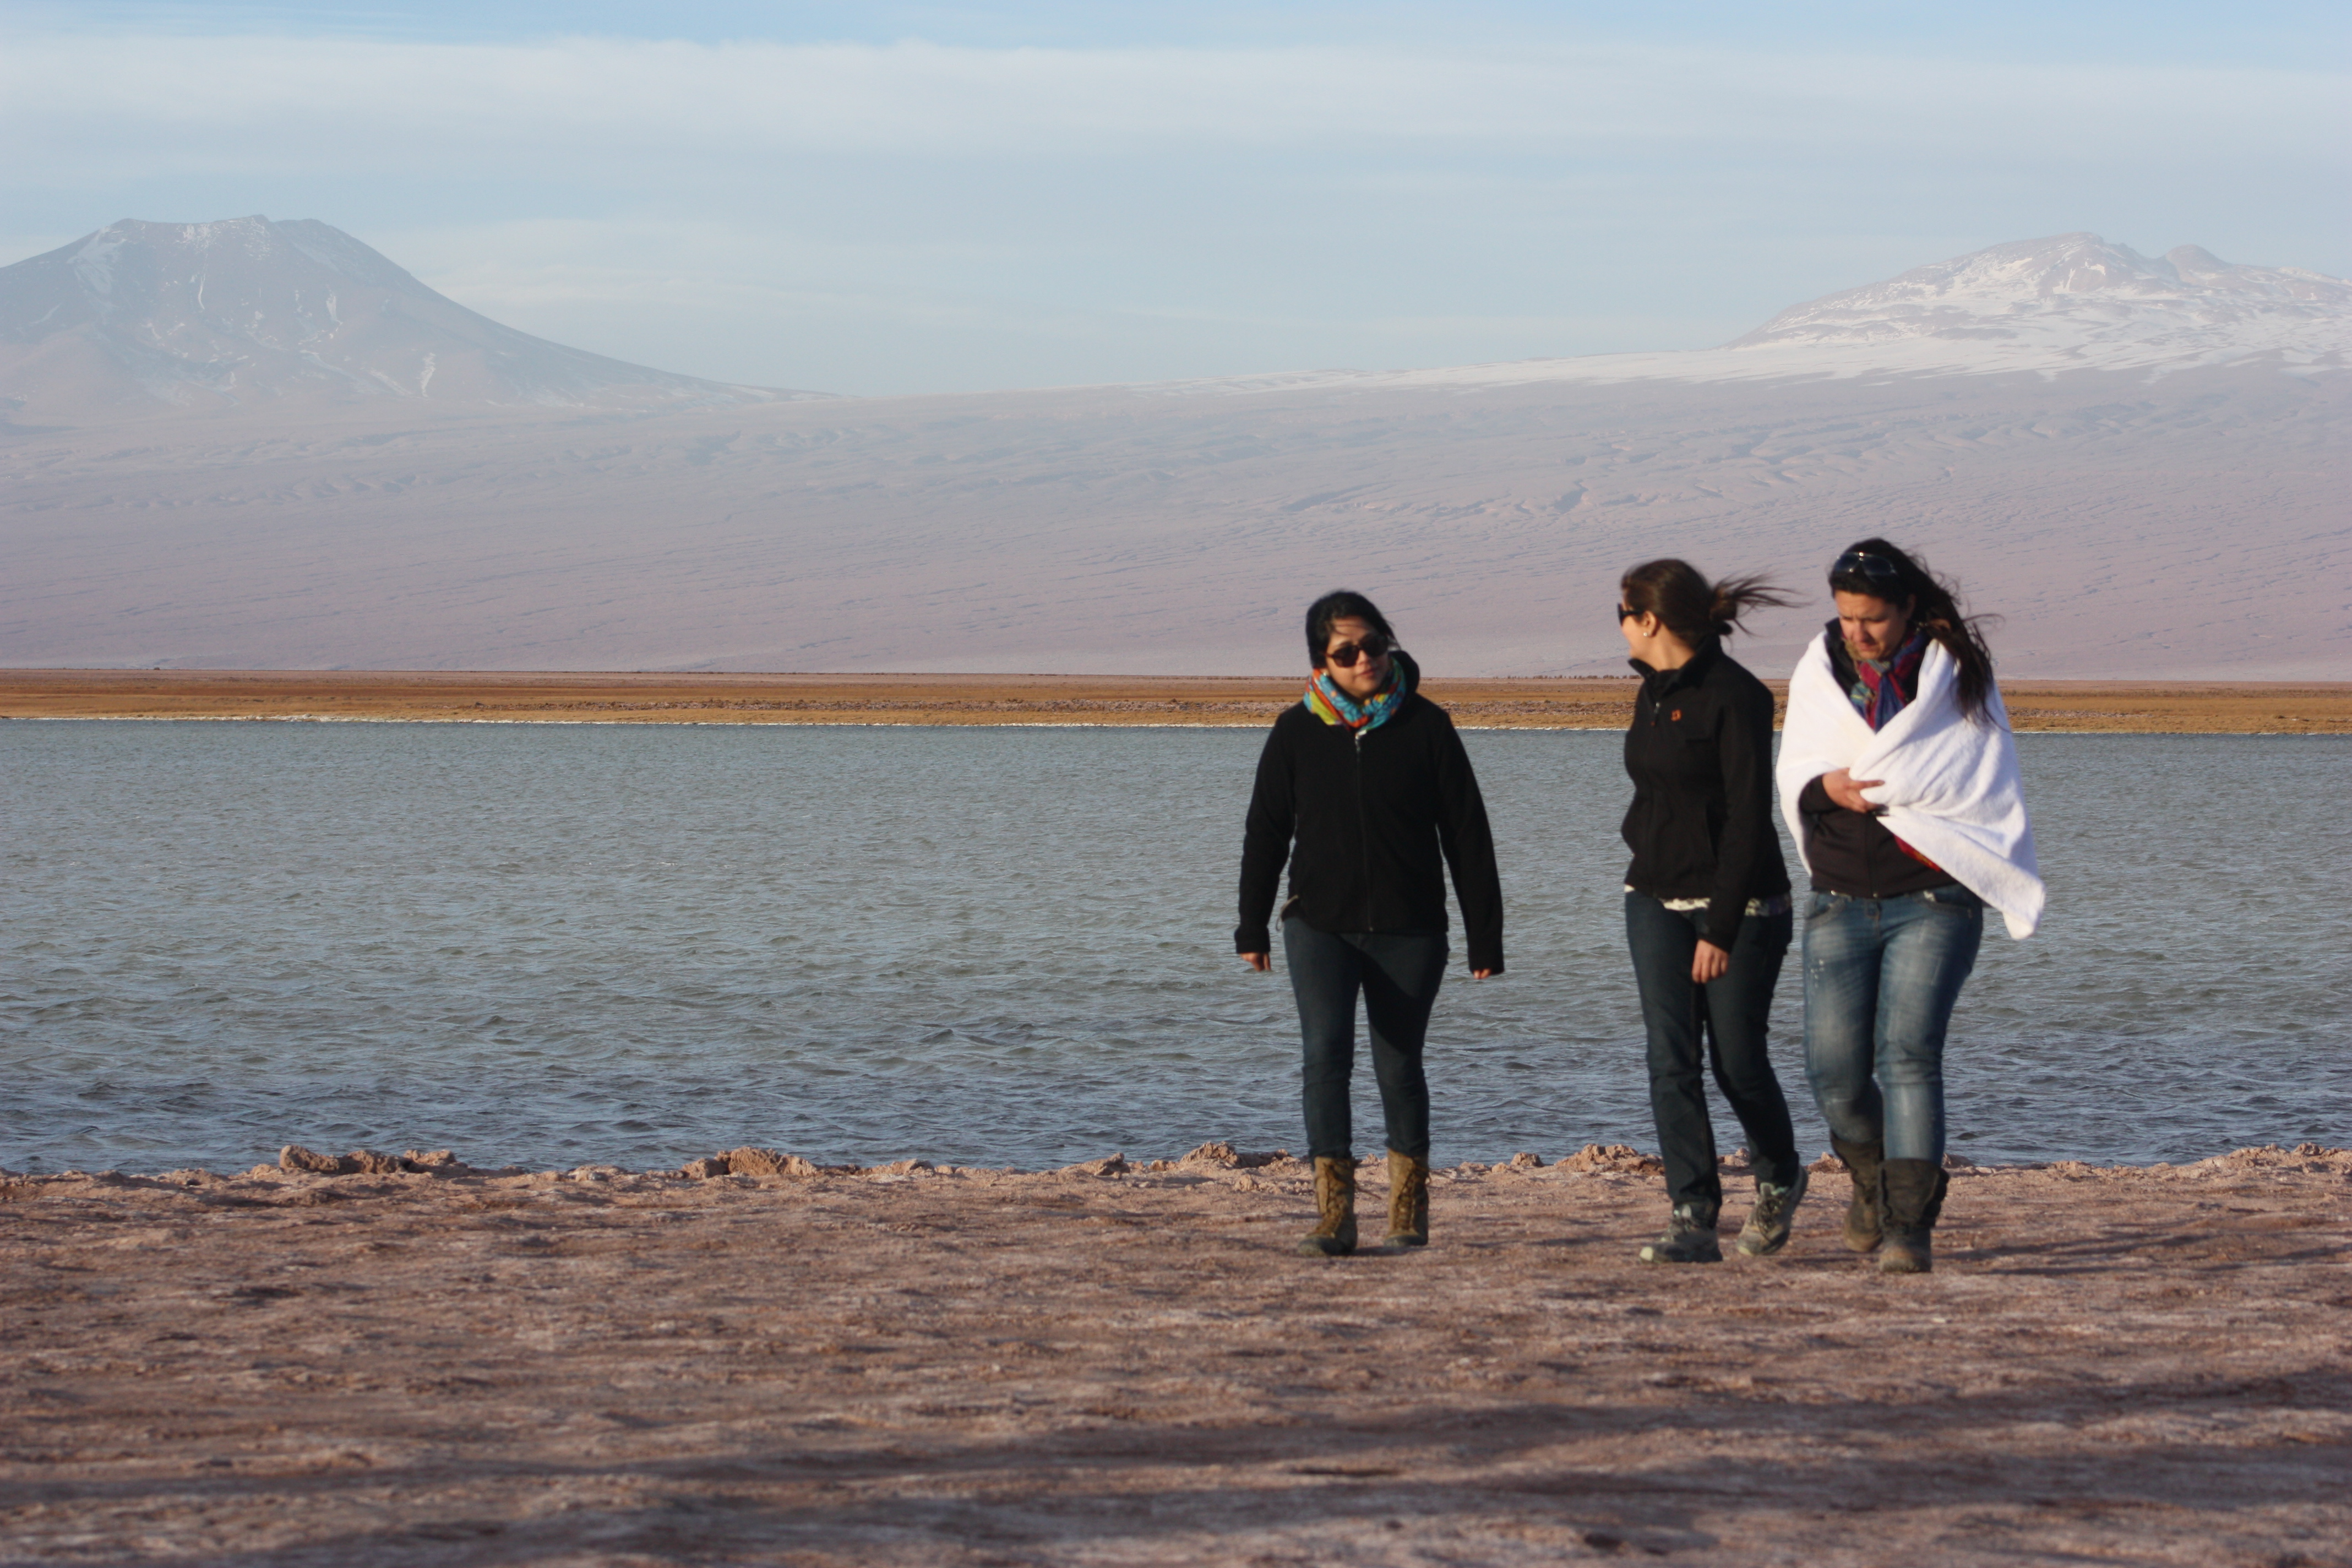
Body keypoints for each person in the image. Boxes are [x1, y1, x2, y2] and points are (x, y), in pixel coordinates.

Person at [1777, 538, 2044, 1274]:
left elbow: (1977, 778)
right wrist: (1823, 789)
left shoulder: (1955, 674)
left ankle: (1908, 1228)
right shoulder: (1819, 668)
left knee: (1909, 1057)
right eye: (1847, 617)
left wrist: (1903, 792)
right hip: (1838, 898)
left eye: (1875, 620)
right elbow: (1797, 766)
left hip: (1935, 898)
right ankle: (1871, 1178)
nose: (1859, 634)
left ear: (1909, 612)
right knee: (1832, 1070)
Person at [1237, 591, 1504, 1257]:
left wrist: (1485, 935)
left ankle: (1408, 1210)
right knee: (1325, 1057)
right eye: (1346, 652)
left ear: (1390, 642)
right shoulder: (1295, 732)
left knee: (1398, 1064)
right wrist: (1251, 926)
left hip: (1411, 929)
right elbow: (1265, 833)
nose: (1364, 660)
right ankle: (1334, 1216)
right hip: (1318, 925)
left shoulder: (1428, 726)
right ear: (1320, 662)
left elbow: (1468, 835)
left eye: (1374, 645)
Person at [1615, 559, 1807, 1265]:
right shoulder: (1651, 694)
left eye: (1622, 614)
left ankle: (1781, 1174)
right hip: (1654, 900)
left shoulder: (1737, 696)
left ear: (1650, 620)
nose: (1621, 628)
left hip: (1744, 907)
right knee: (1670, 1059)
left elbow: (1749, 821)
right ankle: (1692, 1213)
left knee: (1738, 1062)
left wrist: (1721, 927)